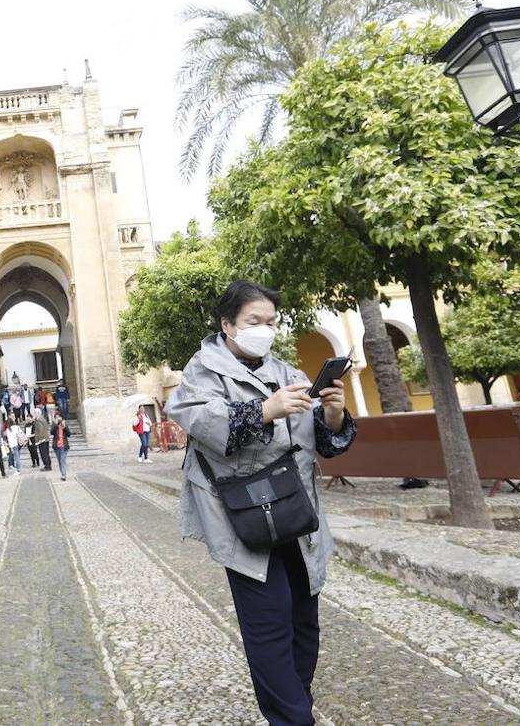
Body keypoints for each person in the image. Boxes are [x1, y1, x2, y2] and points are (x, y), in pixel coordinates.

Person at [165, 280, 356, 726]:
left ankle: (296, 704)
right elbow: (196, 419)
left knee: (304, 623)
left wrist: (332, 414)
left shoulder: (287, 370)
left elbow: (321, 443)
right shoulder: (203, 370)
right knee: (269, 625)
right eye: (254, 322)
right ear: (227, 324)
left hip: (297, 509)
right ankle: (292, 719)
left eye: (271, 322)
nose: (265, 330)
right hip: (245, 515)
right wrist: (264, 410)